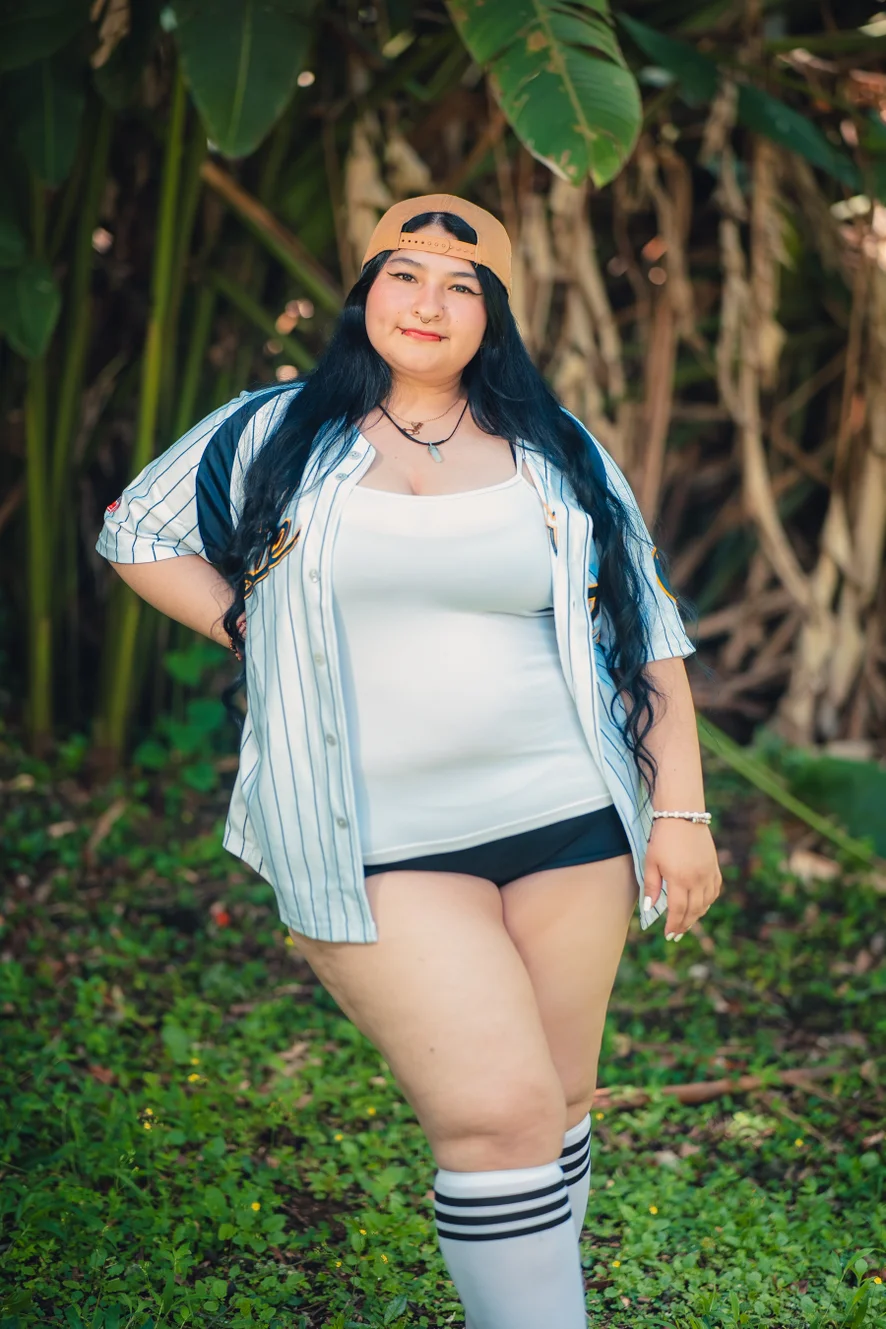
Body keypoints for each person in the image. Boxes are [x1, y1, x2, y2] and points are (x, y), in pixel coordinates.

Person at [97, 193, 722, 1327]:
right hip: (375, 837)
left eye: (460, 286)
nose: (427, 304)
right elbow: (137, 530)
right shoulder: (274, 429)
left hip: (570, 818)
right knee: (497, 1113)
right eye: (404, 275)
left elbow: (647, 630)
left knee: (555, 1101)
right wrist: (248, 621)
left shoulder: (554, 447)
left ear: (493, 316)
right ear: (365, 292)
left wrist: (680, 813)